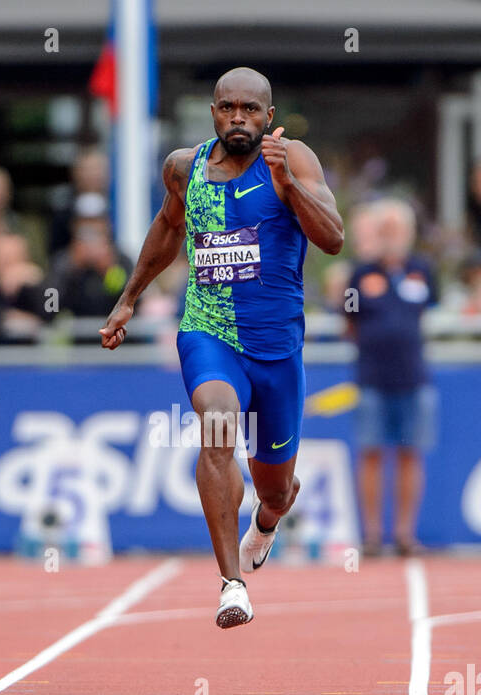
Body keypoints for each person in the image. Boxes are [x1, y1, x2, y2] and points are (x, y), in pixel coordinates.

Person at [101, 67, 344, 628]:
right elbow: (167, 228)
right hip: (209, 333)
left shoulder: (293, 160)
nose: (239, 118)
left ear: (269, 117)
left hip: (278, 347)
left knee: (277, 488)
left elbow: (332, 238)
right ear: (213, 112)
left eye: (251, 110)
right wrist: (128, 297)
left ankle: (268, 518)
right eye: (228, 107)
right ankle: (232, 584)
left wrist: (293, 189)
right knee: (216, 427)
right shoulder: (184, 167)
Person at [343, 199, 438, 556]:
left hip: (414, 376)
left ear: (409, 234)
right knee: (369, 453)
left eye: (398, 230)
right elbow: (348, 322)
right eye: (385, 230)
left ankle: (404, 535)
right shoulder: (360, 273)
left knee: (411, 454)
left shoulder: (422, 270)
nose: (392, 237)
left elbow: (432, 311)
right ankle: (370, 536)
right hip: (371, 377)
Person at [48, 193, 132, 318]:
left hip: (114, 334)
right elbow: (49, 308)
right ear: (74, 226)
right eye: (85, 222)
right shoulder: (62, 260)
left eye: (96, 221)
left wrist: (109, 270)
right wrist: (72, 267)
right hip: (75, 335)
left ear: (107, 225)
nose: (91, 229)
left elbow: (133, 302)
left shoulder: (122, 259)